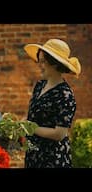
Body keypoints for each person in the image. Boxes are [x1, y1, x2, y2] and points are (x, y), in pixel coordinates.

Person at [23, 38, 81, 168]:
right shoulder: (39, 85)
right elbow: (33, 117)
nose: (39, 65)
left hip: (53, 158)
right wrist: (21, 125)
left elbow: (59, 134)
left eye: (43, 61)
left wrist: (31, 128)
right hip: (34, 155)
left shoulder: (65, 94)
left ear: (54, 63)